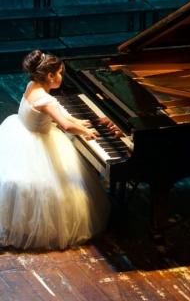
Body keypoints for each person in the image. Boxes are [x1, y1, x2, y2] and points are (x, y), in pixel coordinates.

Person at [0, 49, 111, 250]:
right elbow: (65, 125)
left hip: (21, 131)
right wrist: (85, 131)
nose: (61, 76)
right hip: (39, 142)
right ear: (50, 76)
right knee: (59, 187)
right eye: (60, 73)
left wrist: (77, 120)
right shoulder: (46, 100)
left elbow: (61, 116)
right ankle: (39, 228)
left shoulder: (32, 85)